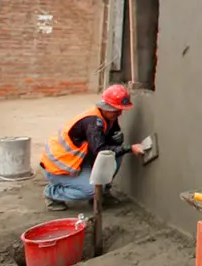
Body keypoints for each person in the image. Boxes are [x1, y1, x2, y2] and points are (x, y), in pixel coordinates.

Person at [39, 83, 144, 211]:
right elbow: (100, 151)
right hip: (58, 167)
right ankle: (52, 193)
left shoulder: (109, 117)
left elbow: (105, 147)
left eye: (121, 109)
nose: (120, 113)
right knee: (92, 190)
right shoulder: (93, 122)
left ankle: (102, 193)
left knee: (115, 155)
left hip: (77, 161)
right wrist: (130, 148)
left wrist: (114, 141)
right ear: (106, 107)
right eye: (117, 110)